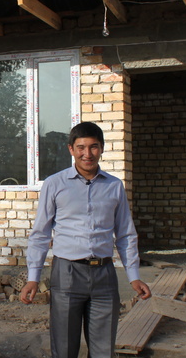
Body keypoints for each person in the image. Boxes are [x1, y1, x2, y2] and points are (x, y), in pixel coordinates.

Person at [20, 121, 151, 358]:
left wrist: (133, 275)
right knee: (64, 347)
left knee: (103, 350)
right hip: (67, 274)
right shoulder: (55, 184)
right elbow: (40, 234)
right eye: (81, 147)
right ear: (71, 149)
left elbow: (125, 234)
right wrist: (33, 278)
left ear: (102, 149)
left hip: (104, 276)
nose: (87, 154)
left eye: (93, 147)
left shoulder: (114, 186)